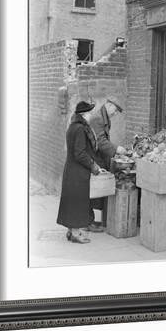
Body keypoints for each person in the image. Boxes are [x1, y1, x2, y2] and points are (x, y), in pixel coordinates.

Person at [57, 101, 101, 244]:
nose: (90, 115)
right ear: (83, 114)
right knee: (77, 202)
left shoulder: (73, 127)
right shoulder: (81, 129)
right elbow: (80, 153)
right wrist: (93, 166)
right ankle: (76, 234)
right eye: (89, 113)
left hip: (71, 170)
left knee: (72, 201)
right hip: (78, 172)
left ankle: (71, 231)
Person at [88, 98, 126, 231]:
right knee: (93, 189)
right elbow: (100, 141)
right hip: (93, 157)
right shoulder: (98, 118)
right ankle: (89, 222)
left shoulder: (102, 116)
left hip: (97, 156)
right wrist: (116, 149)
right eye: (115, 111)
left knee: (96, 189)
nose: (115, 114)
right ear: (109, 105)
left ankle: (94, 221)